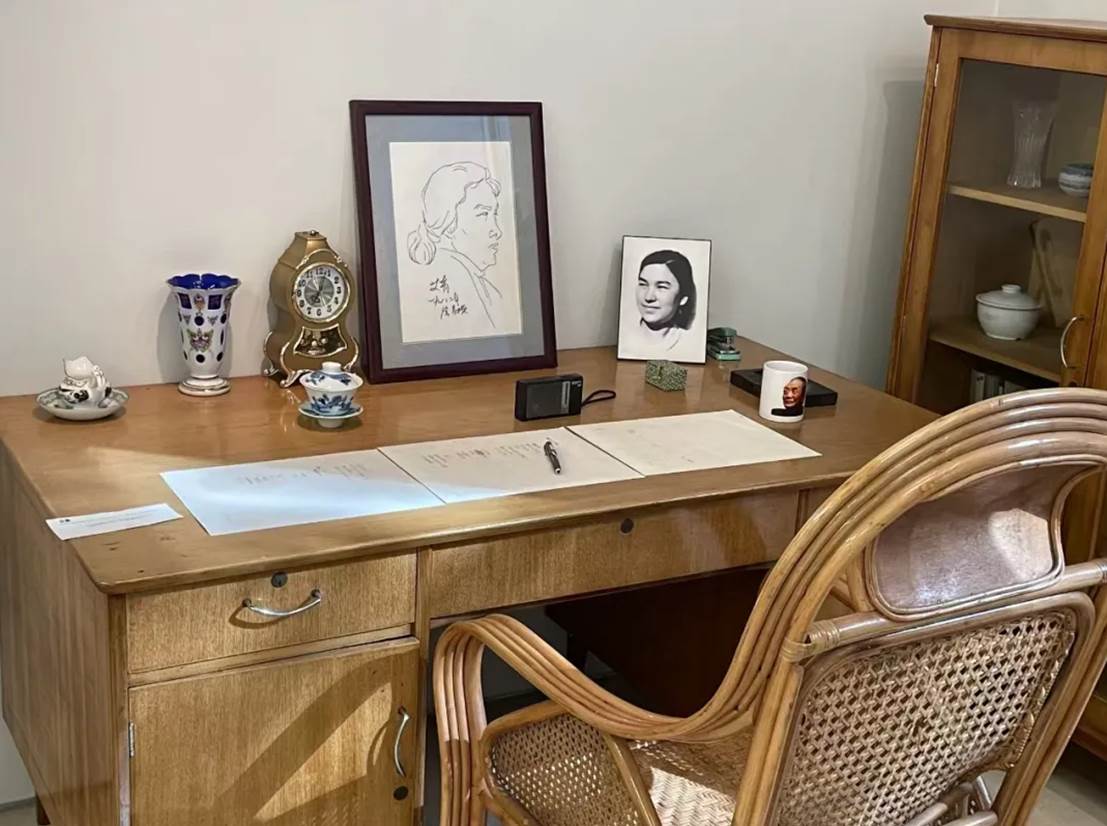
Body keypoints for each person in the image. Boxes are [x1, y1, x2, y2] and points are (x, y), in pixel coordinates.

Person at [406, 162, 508, 333]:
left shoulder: (486, 288)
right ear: (448, 224)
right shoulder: (451, 282)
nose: (497, 231)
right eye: (483, 214)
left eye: (494, 214)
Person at [629, 249, 697, 354]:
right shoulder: (625, 340)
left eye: (661, 287)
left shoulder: (691, 346)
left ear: (683, 298)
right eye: (643, 284)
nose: (648, 297)